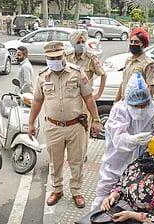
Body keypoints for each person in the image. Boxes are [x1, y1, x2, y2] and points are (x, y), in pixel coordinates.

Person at [28, 41, 101, 208]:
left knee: (76, 161)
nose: (55, 60)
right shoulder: (42, 76)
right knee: (56, 161)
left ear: (64, 55)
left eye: (58, 56)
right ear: (46, 58)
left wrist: (96, 119)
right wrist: (31, 123)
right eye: (51, 57)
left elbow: (88, 97)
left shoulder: (77, 72)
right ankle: (57, 189)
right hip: (53, 127)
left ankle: (76, 191)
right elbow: (37, 101)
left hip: (75, 126)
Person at [90, 72, 154, 210]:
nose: (141, 109)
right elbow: (118, 140)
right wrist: (132, 139)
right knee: (103, 199)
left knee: (132, 202)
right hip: (115, 165)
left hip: (140, 167)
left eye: (144, 105)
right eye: (137, 106)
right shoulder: (119, 110)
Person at [66, 29, 107, 161]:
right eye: (79, 42)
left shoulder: (90, 59)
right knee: (70, 126)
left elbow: (103, 75)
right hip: (70, 98)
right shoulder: (68, 57)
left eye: (83, 41)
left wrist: (98, 94)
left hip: (85, 100)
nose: (81, 44)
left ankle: (82, 154)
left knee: (84, 127)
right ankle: (72, 152)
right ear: (73, 43)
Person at [115, 28, 154, 102]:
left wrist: (145, 108)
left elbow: (150, 87)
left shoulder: (149, 64)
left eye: (137, 42)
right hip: (124, 103)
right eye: (131, 41)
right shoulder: (128, 61)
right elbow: (123, 83)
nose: (133, 44)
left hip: (137, 105)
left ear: (143, 45)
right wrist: (116, 102)